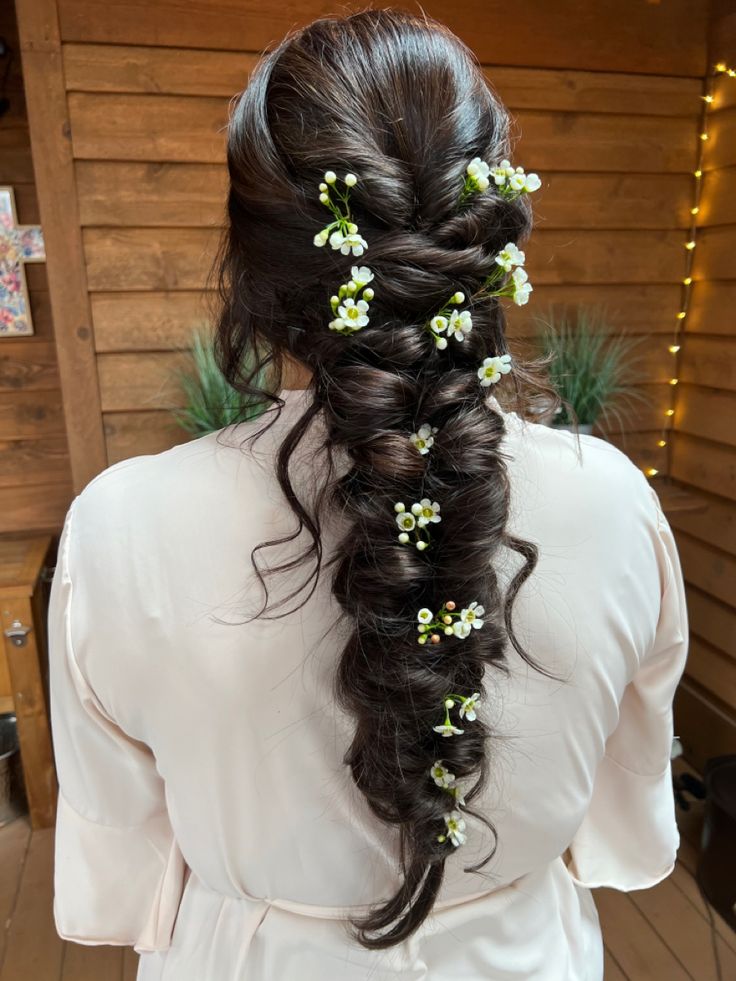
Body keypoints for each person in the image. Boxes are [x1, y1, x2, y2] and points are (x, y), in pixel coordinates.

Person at [47, 9, 689, 980]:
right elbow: (621, 822)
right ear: (485, 237)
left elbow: (121, 865)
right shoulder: (614, 504)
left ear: (255, 265)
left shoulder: (119, 525)